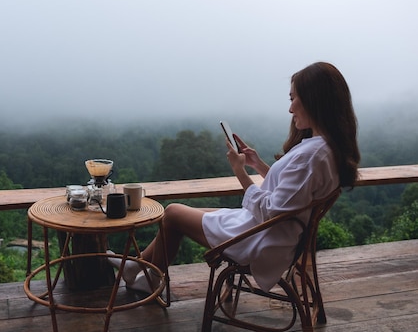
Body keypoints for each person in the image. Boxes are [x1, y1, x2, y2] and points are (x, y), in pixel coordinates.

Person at [108, 61, 361, 293]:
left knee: (173, 213)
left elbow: (273, 211)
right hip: (273, 235)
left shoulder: (311, 154)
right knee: (194, 213)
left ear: (315, 100)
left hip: (261, 240)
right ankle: (136, 269)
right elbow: (294, 193)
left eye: (295, 99)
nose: (290, 108)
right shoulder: (326, 148)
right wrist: (257, 164)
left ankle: (150, 280)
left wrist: (239, 172)